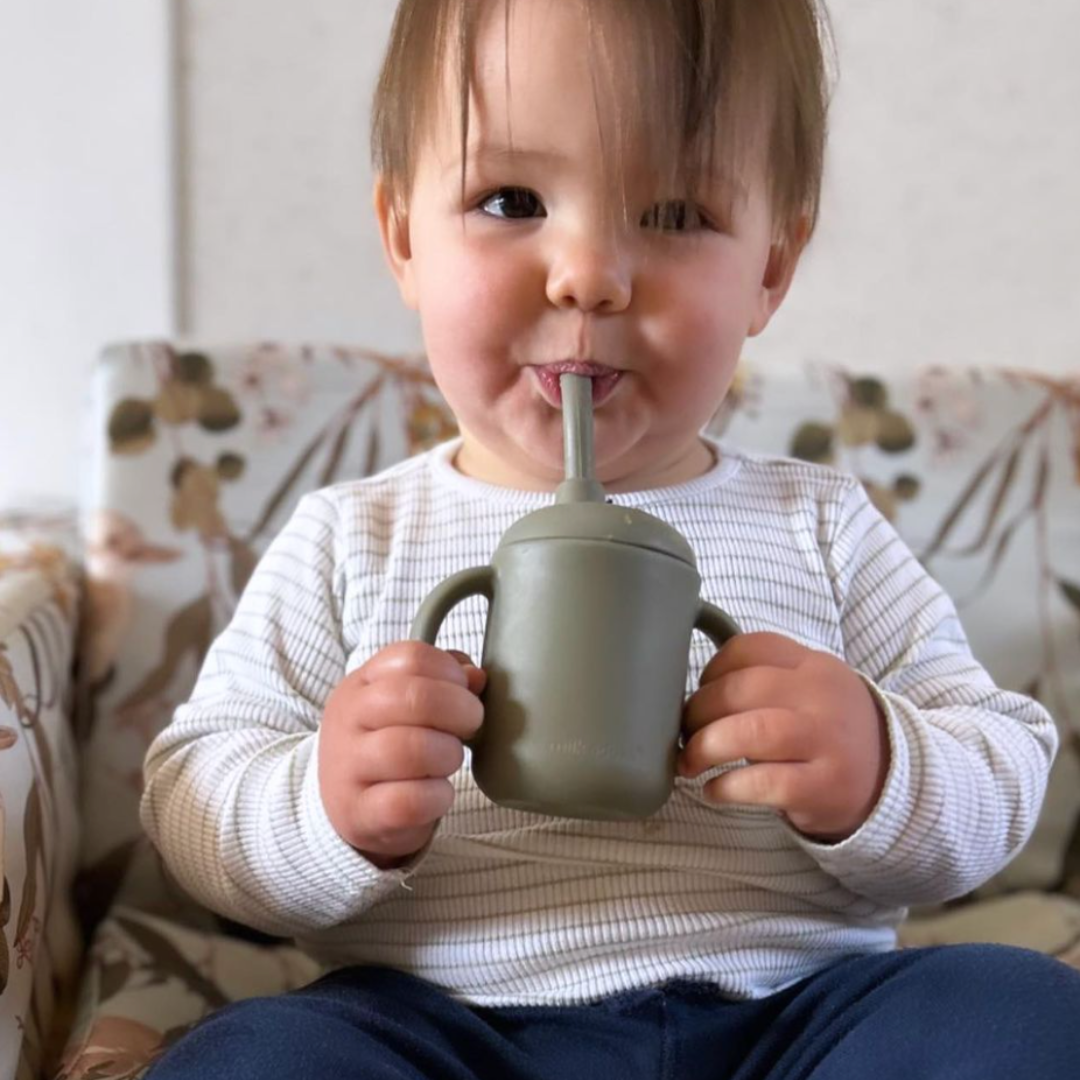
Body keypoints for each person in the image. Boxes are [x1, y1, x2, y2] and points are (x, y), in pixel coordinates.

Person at [140, 1, 1080, 1077]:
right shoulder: (355, 536)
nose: (588, 275)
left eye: (676, 212)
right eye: (510, 200)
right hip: (445, 1027)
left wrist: (877, 761)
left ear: (771, 265)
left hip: (798, 1021)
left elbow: (1002, 759)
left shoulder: (818, 524)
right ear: (404, 236)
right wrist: (324, 804)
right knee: (260, 1060)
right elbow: (193, 795)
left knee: (1022, 1015)